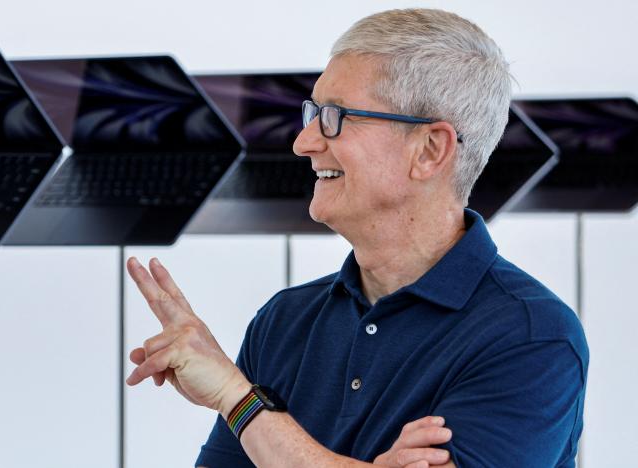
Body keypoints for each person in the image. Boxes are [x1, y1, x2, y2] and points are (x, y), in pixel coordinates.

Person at [125, 8, 588, 467]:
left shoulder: (533, 338)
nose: (303, 142)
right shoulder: (284, 321)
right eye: (313, 113)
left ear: (429, 150)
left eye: (335, 117)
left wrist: (237, 398)